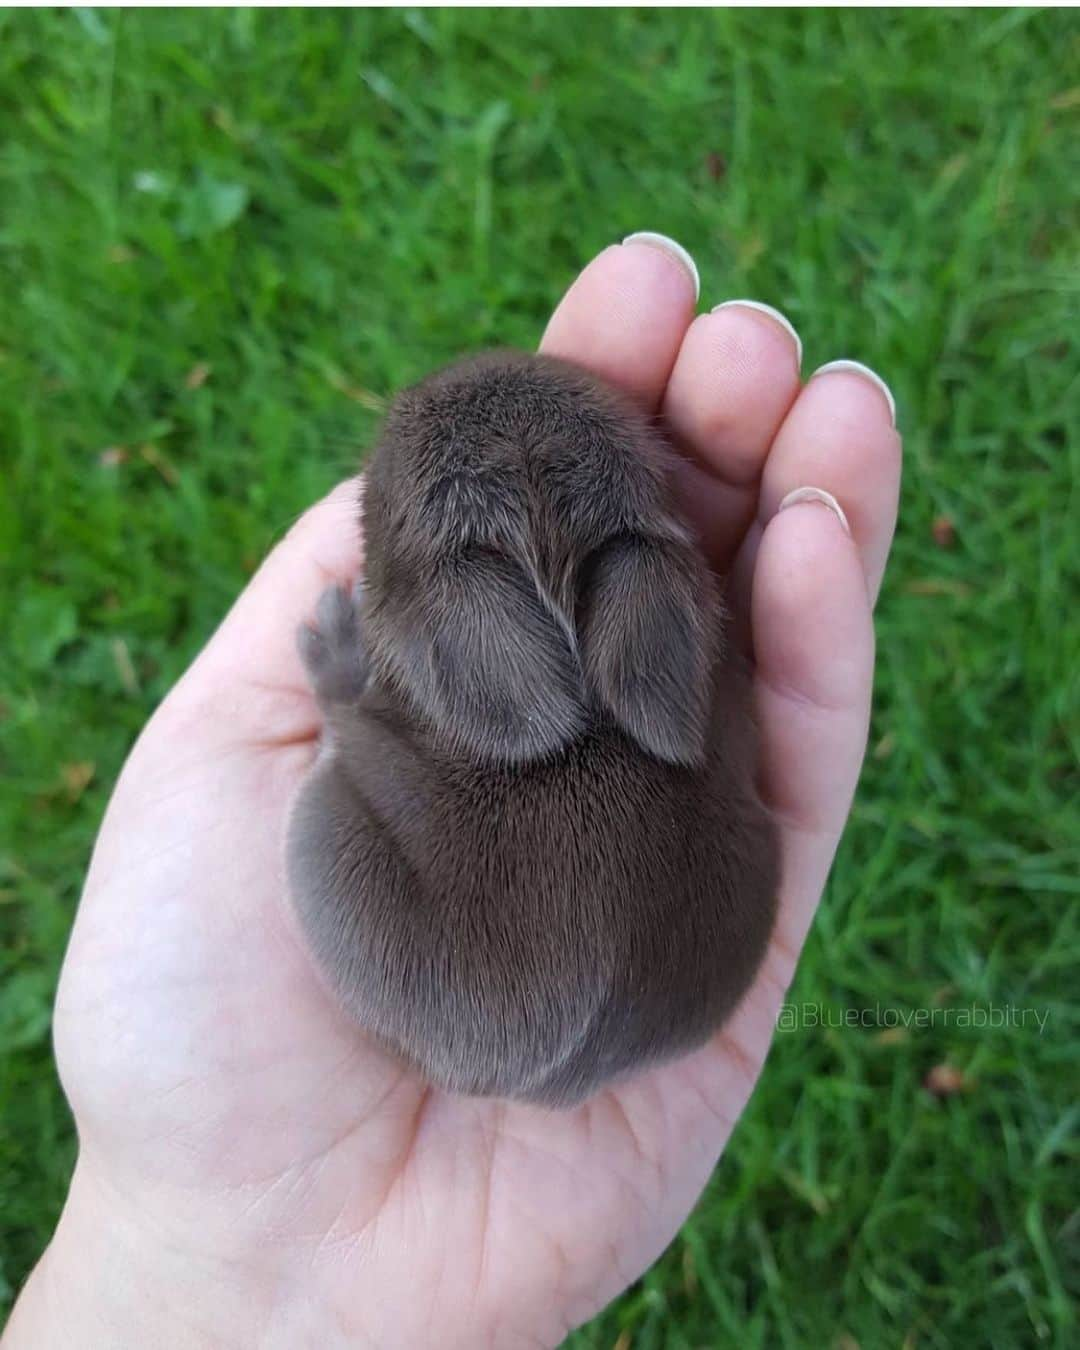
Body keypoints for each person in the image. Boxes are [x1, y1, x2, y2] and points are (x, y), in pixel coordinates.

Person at [3, 235, 900, 1349]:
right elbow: (685, 720)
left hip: (457, 998)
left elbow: (399, 777)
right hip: (691, 985)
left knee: (348, 821)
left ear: (454, 634)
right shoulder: (678, 634)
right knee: (710, 768)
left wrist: (346, 700)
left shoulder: (445, 703)